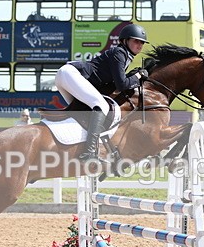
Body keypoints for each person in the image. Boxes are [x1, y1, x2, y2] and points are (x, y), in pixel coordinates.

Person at [54, 23, 149, 160]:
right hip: (71, 74)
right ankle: (89, 152)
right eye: (136, 41)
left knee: (82, 113)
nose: (139, 45)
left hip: (66, 75)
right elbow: (121, 85)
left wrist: (133, 77)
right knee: (102, 106)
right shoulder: (119, 53)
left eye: (142, 43)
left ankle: (69, 147)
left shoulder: (123, 55)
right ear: (125, 40)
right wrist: (138, 76)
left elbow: (114, 85)